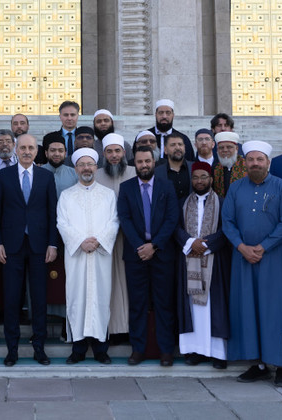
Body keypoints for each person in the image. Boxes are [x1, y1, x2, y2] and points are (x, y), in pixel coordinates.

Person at [222, 140, 282, 387]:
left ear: (268, 162)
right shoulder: (235, 188)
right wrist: (242, 247)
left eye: (260, 159)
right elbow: (228, 222)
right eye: (251, 160)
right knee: (248, 310)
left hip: (273, 259)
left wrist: (263, 247)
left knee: (275, 310)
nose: (255, 164)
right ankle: (258, 364)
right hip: (243, 258)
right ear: (245, 162)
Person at [0, 133, 58, 367]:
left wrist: (52, 243)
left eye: (31, 147)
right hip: (11, 247)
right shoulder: (2, 177)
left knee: (39, 299)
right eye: (23, 147)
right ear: (15, 150)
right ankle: (12, 350)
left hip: (40, 246)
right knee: (11, 298)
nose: (27, 151)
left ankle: (39, 348)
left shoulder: (46, 177)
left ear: (37, 151)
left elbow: (52, 213)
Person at [117, 146, 179, 367]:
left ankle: (165, 351)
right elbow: (124, 219)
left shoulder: (166, 187)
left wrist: (154, 245)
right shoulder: (126, 188)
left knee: (164, 304)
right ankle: (138, 349)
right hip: (136, 256)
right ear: (135, 164)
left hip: (162, 254)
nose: (144, 165)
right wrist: (141, 247)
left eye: (148, 161)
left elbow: (172, 219)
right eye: (140, 162)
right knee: (138, 304)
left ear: (155, 162)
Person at [57, 148, 119, 364]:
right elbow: (62, 223)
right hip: (77, 256)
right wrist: (81, 241)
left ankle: (101, 348)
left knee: (101, 298)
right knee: (77, 299)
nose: (86, 168)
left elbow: (114, 221)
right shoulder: (66, 196)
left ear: (96, 167)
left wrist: (98, 240)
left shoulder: (108, 195)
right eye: (82, 164)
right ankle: (79, 348)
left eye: (90, 164)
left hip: (101, 255)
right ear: (76, 169)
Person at [175, 161, 230, 369]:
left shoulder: (223, 202)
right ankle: (196, 350)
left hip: (214, 261)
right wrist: (190, 243)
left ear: (211, 179)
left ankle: (216, 352)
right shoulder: (182, 203)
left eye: (203, 177)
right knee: (192, 306)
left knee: (213, 306)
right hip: (188, 259)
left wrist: (207, 245)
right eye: (196, 177)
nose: (199, 181)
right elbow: (175, 227)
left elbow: (227, 228)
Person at [94, 134, 136, 341]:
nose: (114, 156)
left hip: (131, 239)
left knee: (129, 284)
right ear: (104, 154)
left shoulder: (135, 173)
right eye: (109, 152)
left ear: (124, 153)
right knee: (106, 283)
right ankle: (109, 329)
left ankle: (127, 328)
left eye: (117, 151)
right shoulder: (96, 175)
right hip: (104, 241)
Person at [154, 132, 193, 200]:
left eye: (180, 144)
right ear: (165, 150)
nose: (177, 148)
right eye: (173, 145)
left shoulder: (194, 168)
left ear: (184, 148)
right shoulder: (157, 172)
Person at [212, 132, 246, 199]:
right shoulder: (215, 168)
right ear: (217, 150)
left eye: (229, 147)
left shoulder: (246, 166)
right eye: (221, 148)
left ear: (236, 148)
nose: (225, 150)